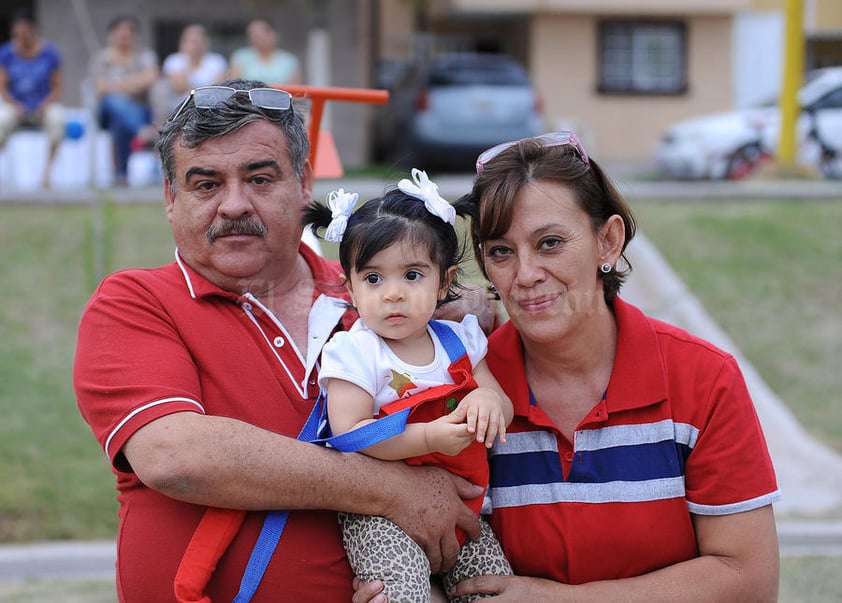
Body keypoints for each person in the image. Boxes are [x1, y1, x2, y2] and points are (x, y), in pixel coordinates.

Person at [73, 78, 491, 602]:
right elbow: (175, 456)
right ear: (169, 198)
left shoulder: (389, 306)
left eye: (259, 179)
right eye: (205, 184)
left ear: (303, 183)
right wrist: (389, 490)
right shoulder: (136, 302)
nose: (233, 205)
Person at [355, 131, 782, 602]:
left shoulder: (702, 378)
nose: (526, 274)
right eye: (500, 251)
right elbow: (440, 552)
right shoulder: (458, 386)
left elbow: (748, 580)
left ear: (608, 241)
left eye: (550, 243)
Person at [303, 175, 514, 601]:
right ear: (350, 286)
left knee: (495, 587)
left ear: (443, 282)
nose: (393, 294)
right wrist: (429, 437)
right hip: (379, 516)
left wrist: (488, 401)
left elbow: (499, 401)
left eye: (412, 275)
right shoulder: (356, 352)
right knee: (401, 592)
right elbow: (351, 433)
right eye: (374, 279)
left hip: (465, 508)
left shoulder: (459, 340)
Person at [89, 15, 158, 185]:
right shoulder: (102, 58)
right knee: (114, 101)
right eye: (120, 35)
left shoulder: (145, 55)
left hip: (140, 110)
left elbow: (151, 78)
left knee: (119, 122)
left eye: (127, 35)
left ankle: (121, 174)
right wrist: (132, 85)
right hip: (106, 110)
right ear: (111, 35)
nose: (124, 38)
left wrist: (116, 85)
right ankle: (143, 131)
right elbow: (100, 88)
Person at [0, 9, 64, 189]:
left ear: (33, 30)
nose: (22, 38)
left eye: (26, 33)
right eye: (18, 34)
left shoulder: (50, 53)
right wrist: (15, 104)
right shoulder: (6, 53)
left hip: (44, 105)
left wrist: (44, 104)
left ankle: (47, 175)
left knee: (57, 119)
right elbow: (2, 87)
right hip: (15, 105)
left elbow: (58, 87)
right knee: (1, 121)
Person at [147, 23, 227, 136]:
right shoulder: (174, 60)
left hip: (210, 106)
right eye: (190, 41)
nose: (194, 45)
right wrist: (188, 59)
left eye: (197, 41)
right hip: (179, 106)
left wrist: (193, 89)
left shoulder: (216, 60)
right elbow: (180, 87)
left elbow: (216, 89)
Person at [228, 18, 301, 85]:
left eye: (262, 33)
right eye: (253, 35)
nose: (257, 38)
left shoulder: (289, 60)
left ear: (274, 34)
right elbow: (234, 85)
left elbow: (294, 90)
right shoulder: (241, 56)